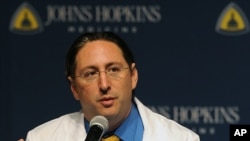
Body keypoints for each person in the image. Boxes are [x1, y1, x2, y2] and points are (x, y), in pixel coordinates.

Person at [20, 32, 200, 141]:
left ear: (133, 76)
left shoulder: (182, 138)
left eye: (113, 70)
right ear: (74, 87)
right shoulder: (42, 137)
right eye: (90, 74)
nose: (104, 84)